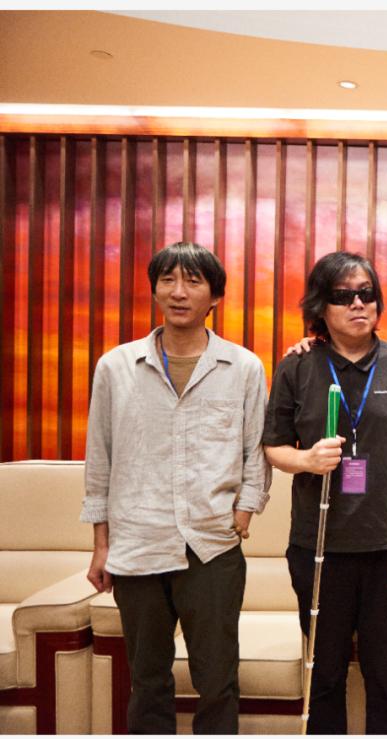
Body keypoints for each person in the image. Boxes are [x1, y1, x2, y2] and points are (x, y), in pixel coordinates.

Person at [81, 241, 270, 734]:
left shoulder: (243, 367)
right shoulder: (115, 367)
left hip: (212, 545)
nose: (178, 292)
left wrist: (245, 510)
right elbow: (100, 459)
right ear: (155, 291)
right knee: (147, 681)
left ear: (215, 296)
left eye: (192, 281)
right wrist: (101, 545)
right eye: (167, 280)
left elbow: (255, 449)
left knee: (218, 681)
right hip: (138, 541)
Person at [262, 252, 387, 734]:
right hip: (318, 548)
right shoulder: (298, 366)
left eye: (367, 294)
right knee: (324, 677)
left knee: (385, 678)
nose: (358, 304)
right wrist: (306, 460)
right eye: (343, 296)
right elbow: (272, 447)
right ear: (320, 307)